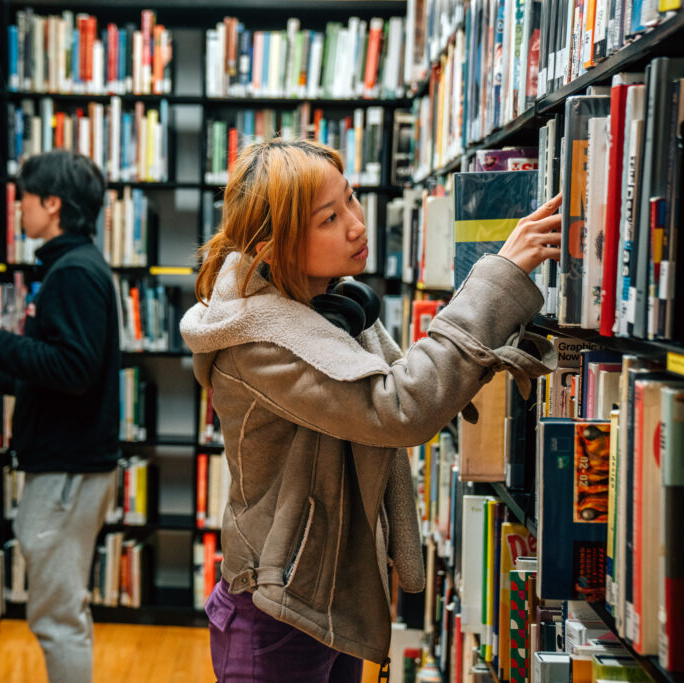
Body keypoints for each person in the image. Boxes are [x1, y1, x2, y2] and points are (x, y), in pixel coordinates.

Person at [180, 138, 561, 682]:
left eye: (352, 199)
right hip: (278, 603)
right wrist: (498, 279)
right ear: (273, 249)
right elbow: (400, 406)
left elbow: (419, 382)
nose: (357, 224)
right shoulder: (261, 343)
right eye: (329, 217)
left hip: (333, 592)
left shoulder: (335, 305)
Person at [0, 149, 120, 683]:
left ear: (52, 204)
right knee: (62, 612)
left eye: (24, 197)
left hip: (67, 469)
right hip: (65, 463)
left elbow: (74, 369)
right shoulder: (70, 267)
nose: (17, 207)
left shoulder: (73, 273)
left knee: (56, 618)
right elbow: (53, 374)